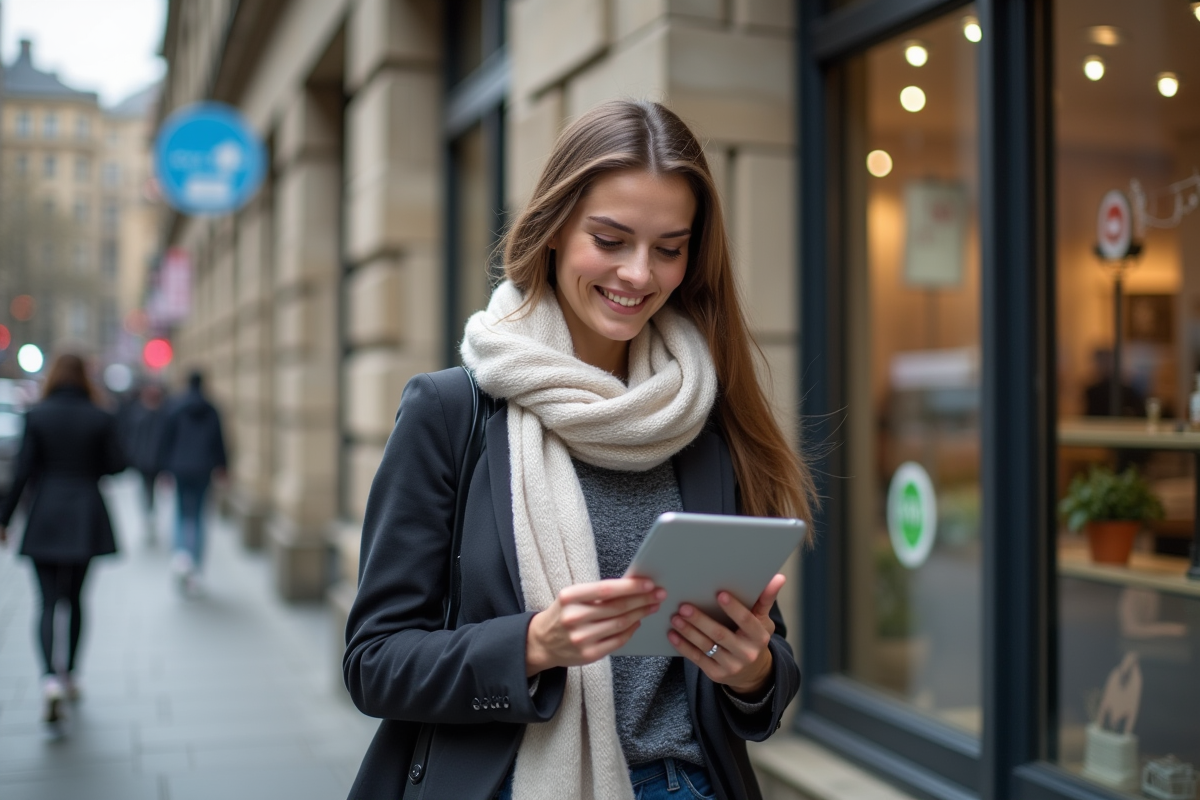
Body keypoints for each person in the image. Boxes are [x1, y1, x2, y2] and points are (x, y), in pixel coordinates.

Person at [343, 100, 817, 800]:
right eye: (611, 238)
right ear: (557, 229)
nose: (638, 274)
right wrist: (533, 645)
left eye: (669, 247)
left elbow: (764, 677)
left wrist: (751, 671)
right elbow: (375, 662)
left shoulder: (701, 417)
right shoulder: (451, 411)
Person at [0, 352, 126, 730]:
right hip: (86, 513)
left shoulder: (37, 415)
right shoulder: (100, 415)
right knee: (75, 599)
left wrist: (4, 519)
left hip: (46, 513)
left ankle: (48, 679)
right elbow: (118, 465)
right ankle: (69, 674)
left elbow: (23, 470)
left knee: (47, 601)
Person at [157, 370, 227, 592]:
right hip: (203, 468)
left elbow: (166, 439)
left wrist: (164, 468)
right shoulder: (211, 408)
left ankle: (181, 556)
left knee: (180, 512)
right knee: (198, 515)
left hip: (179, 467)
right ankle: (194, 566)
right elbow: (220, 440)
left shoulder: (175, 407)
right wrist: (223, 466)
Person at [124, 381, 167, 541]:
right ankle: (149, 514)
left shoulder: (144, 413)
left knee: (148, 489)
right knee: (147, 489)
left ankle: (150, 514)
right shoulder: (144, 413)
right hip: (146, 461)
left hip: (149, 460)